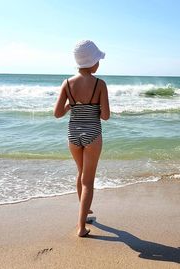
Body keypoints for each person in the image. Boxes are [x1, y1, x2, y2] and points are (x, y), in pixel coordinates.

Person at [53, 40, 110, 237]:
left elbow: (57, 113)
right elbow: (105, 116)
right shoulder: (100, 84)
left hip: (73, 136)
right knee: (88, 181)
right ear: (92, 62)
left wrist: (72, 105)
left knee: (80, 174)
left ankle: (84, 214)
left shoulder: (67, 83)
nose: (99, 64)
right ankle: (81, 227)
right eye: (98, 60)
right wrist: (96, 107)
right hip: (93, 135)